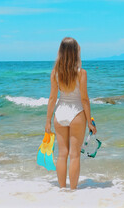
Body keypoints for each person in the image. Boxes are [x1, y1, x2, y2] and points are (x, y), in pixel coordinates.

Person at [45, 37, 97, 189]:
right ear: (76, 53)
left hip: (60, 113)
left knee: (62, 154)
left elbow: (52, 98)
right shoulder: (82, 73)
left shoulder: (55, 73)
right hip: (77, 114)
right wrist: (90, 122)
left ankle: (62, 190)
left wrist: (48, 121)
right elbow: (84, 99)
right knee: (74, 155)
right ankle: (73, 193)